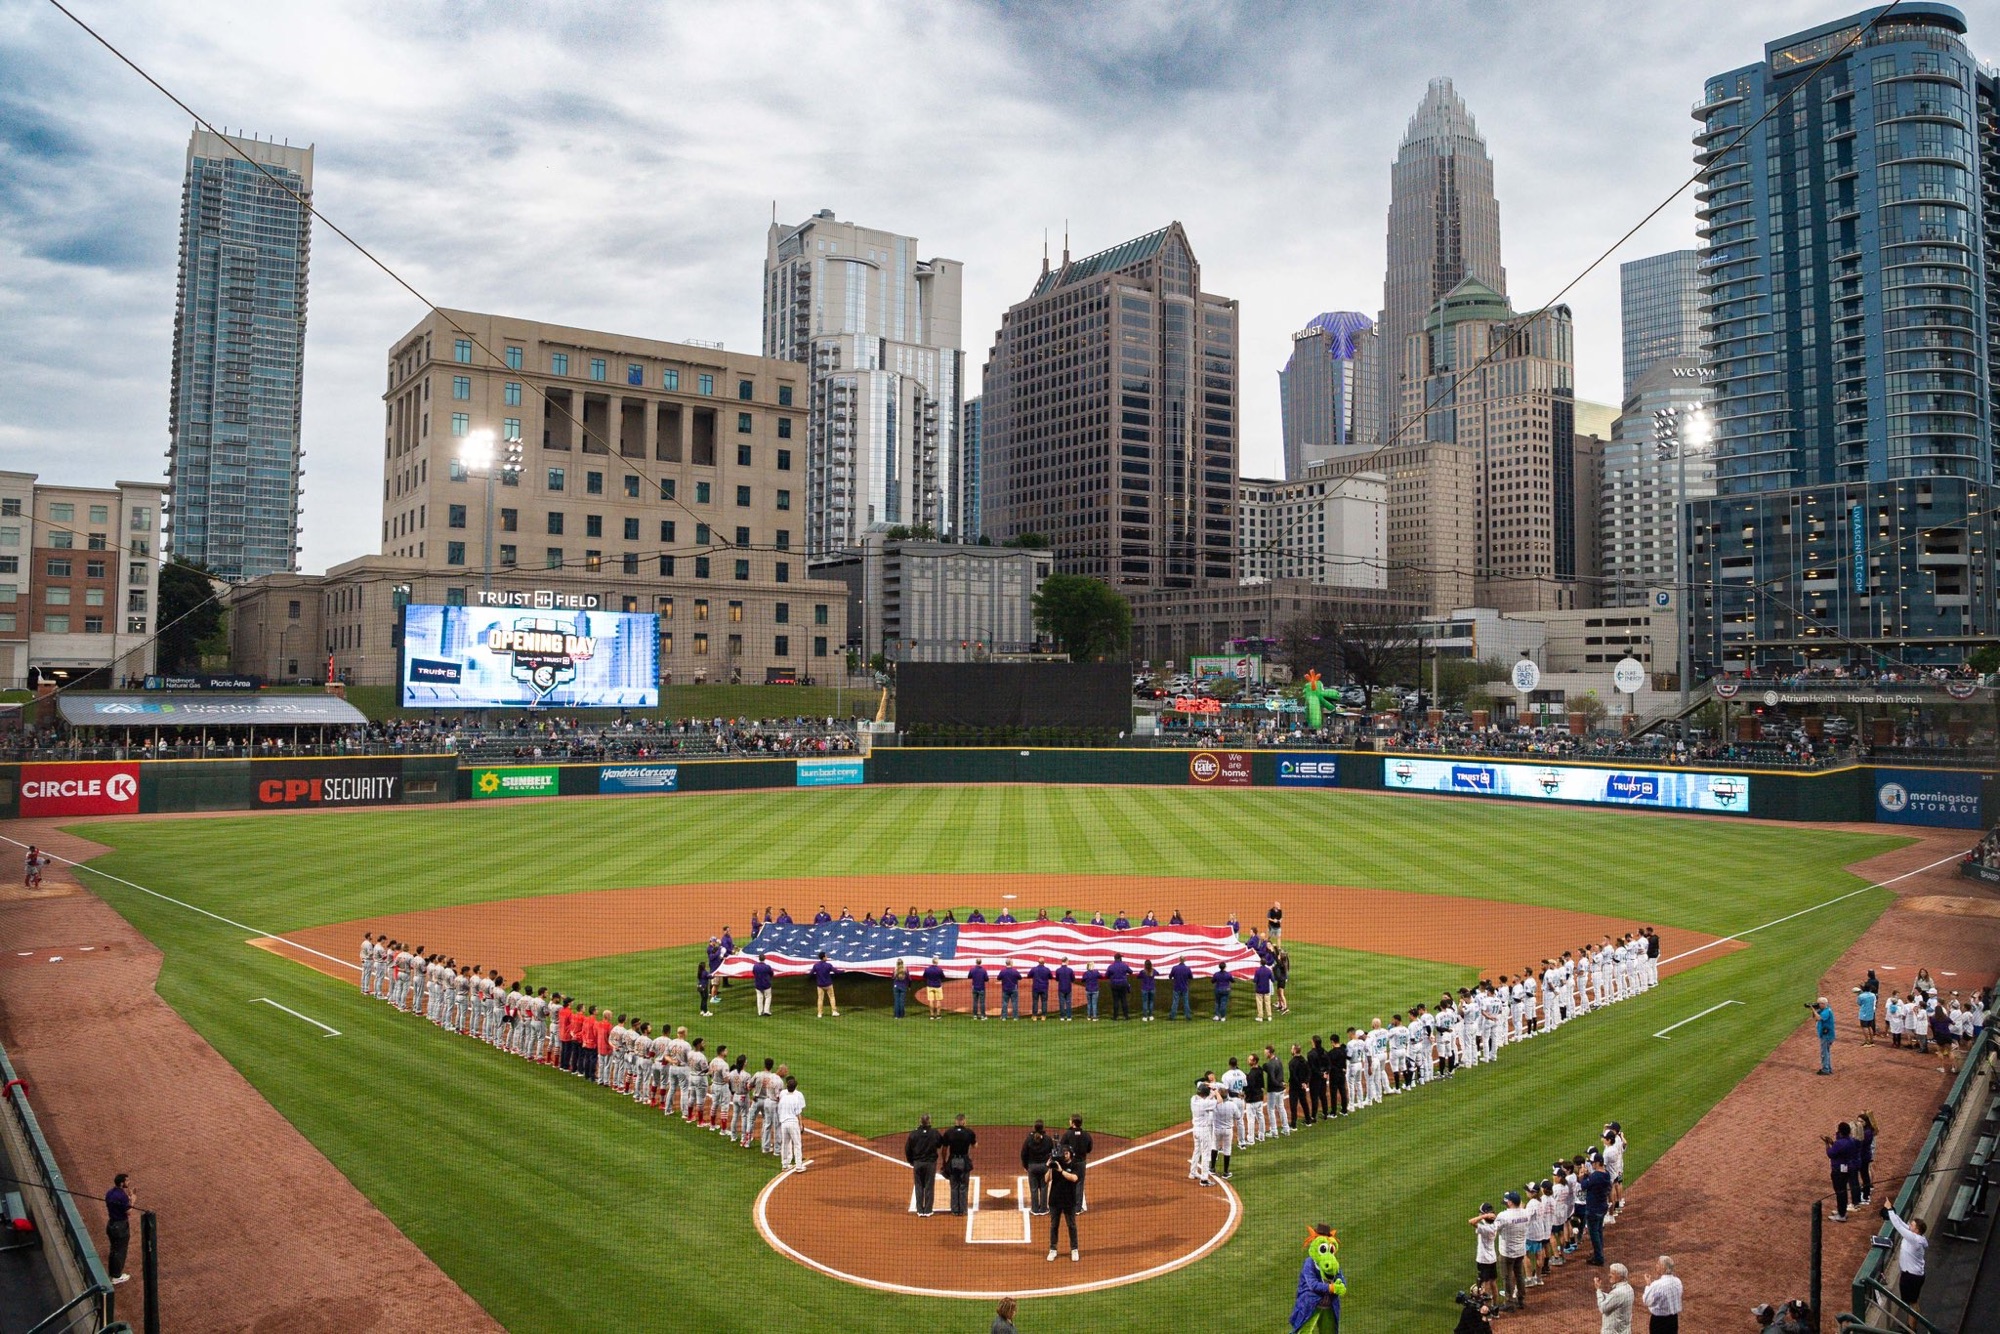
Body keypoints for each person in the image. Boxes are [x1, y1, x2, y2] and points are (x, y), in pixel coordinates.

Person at [1883, 1206, 1928, 1308]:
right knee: (1911, 1302)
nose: (1909, 1226)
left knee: (1912, 1303)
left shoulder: (1914, 1239)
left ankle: (1910, 1324)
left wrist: (1890, 1210)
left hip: (1912, 1276)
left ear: (1916, 1230)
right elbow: (1901, 1223)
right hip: (1911, 1275)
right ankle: (1909, 1324)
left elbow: (1898, 1227)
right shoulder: (1916, 1235)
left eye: (1912, 1225)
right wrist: (1892, 1211)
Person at [1495, 1190, 1531, 1310]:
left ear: (1510, 1202)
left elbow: (1495, 1229)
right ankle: (1521, 1300)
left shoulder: (1503, 1215)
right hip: (1520, 1250)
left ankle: (1509, 1303)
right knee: (1519, 1275)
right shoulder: (1526, 1213)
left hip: (1507, 1252)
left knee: (1507, 1277)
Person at [1046, 1142, 1081, 1262]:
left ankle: (1074, 1249)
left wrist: (1061, 1171)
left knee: (1071, 1225)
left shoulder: (1076, 1164)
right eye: (1063, 1153)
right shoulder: (1057, 1163)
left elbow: (1074, 1178)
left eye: (1066, 1153)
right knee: (1054, 1226)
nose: (1064, 1155)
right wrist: (1049, 1168)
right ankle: (1053, 1249)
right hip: (1055, 1200)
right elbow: (1046, 1180)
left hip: (1069, 1200)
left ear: (1071, 1154)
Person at [1579, 1152, 1613, 1264]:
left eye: (1593, 1163)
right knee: (1598, 1232)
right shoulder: (1606, 1174)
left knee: (1594, 1234)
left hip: (1593, 1208)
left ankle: (1599, 1258)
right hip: (1602, 1206)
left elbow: (1584, 1186)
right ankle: (1599, 1253)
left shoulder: (1595, 1176)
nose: (1592, 1164)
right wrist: (1588, 1176)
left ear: (1598, 1163)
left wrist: (1583, 1176)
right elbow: (1594, 1181)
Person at [942, 1113, 978, 1216]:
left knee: (954, 1186)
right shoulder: (969, 1133)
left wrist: (944, 1162)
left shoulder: (949, 1132)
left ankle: (954, 1210)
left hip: (953, 1160)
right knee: (963, 1186)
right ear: (964, 1121)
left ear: (955, 1121)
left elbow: (944, 1149)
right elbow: (975, 1145)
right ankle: (963, 1210)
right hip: (964, 1160)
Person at [1824, 1120, 1861, 1221]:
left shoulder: (1840, 1143)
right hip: (1847, 1168)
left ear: (1840, 1132)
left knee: (1840, 1192)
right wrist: (1833, 1143)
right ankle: (1842, 1211)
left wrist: (1827, 1145)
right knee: (1843, 1191)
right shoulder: (1852, 1140)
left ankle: (1841, 1215)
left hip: (1838, 1170)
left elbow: (1830, 1154)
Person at [906, 1113, 941, 1217]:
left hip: (918, 1163)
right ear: (929, 1121)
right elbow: (940, 1144)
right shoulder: (934, 1133)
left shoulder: (914, 1134)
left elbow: (907, 1150)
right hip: (930, 1164)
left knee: (919, 1186)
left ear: (920, 1122)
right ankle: (928, 1210)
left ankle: (920, 1210)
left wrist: (912, 1162)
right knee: (929, 1186)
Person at [103, 1173, 133, 1284]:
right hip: (120, 1227)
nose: (128, 1182)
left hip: (111, 1224)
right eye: (127, 1181)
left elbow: (117, 1205)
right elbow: (128, 1212)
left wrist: (128, 1199)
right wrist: (132, 1200)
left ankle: (113, 1273)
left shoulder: (110, 1193)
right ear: (122, 1183)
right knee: (120, 1251)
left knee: (114, 1250)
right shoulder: (122, 1196)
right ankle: (116, 1276)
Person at [1640, 1256, 1682, 1334]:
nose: (1656, 1266)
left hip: (1659, 1322)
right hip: (1673, 1320)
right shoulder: (1678, 1281)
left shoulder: (1657, 1284)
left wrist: (1648, 1285)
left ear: (1663, 1267)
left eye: (1658, 1264)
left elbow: (1646, 1301)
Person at [1469, 1203, 1500, 1306]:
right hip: (1492, 1259)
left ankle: (1486, 1310)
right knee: (1493, 1283)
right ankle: (1495, 1308)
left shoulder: (1485, 1228)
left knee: (1484, 1285)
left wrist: (1483, 1215)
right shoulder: (1495, 1224)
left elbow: (1471, 1221)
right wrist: (1486, 1215)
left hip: (1483, 1260)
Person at [1061, 1114, 1093, 1210]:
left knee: (1067, 1182)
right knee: (1079, 1184)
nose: (1069, 1121)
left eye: (1070, 1120)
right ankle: (1077, 1208)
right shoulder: (1087, 1135)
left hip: (1070, 1162)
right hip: (1081, 1163)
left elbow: (1061, 1147)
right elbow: (1089, 1149)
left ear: (1073, 1123)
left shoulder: (1067, 1134)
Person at [1593, 1263, 1635, 1334]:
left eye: (1612, 1273)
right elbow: (1614, 1300)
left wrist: (1598, 1291)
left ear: (1620, 1276)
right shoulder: (1629, 1288)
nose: (1609, 1275)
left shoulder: (1617, 1292)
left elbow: (1602, 1308)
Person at [1023, 1120, 1054, 1213]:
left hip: (1032, 1167)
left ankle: (1035, 1209)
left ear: (1034, 1127)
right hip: (1044, 1167)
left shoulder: (1029, 1139)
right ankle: (1044, 1208)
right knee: (1044, 1188)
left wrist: (1026, 1166)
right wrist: (1049, 1164)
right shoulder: (1048, 1139)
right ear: (1043, 1128)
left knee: (1034, 1189)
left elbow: (1023, 1153)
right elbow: (1052, 1152)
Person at [777, 1075, 806, 1172]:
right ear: (795, 1087)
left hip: (784, 1123)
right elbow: (798, 1113)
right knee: (797, 1144)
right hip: (793, 1123)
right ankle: (798, 1166)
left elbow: (779, 1111)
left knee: (785, 1144)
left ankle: (784, 1165)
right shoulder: (796, 1098)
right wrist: (801, 1124)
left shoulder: (783, 1098)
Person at [1812, 996, 1836, 1074]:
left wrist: (1813, 1009)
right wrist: (1815, 1010)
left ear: (1823, 1004)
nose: (1817, 1005)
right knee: (1826, 1052)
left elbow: (1819, 1018)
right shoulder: (1824, 1009)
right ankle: (1828, 1068)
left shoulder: (1826, 1011)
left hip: (1827, 1035)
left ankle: (1825, 1069)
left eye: (1818, 1004)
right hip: (1826, 1035)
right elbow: (1814, 1017)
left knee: (1824, 1052)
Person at [812, 952, 839, 1018]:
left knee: (820, 999)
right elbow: (836, 971)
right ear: (823, 957)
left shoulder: (816, 965)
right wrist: (844, 971)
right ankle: (834, 1012)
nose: (827, 957)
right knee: (832, 997)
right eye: (826, 956)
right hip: (828, 984)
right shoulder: (828, 965)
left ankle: (819, 1014)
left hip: (820, 985)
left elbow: (811, 973)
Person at [1170, 957, 1194, 1021]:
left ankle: (1172, 1017)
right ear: (1185, 960)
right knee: (1186, 1002)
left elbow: (1170, 976)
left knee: (1175, 1002)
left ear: (1179, 960)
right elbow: (1191, 977)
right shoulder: (1187, 968)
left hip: (1176, 987)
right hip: (1184, 988)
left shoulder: (1174, 968)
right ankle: (1188, 1017)